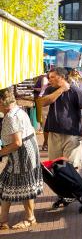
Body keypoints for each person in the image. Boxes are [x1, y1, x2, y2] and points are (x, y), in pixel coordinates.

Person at [0, 88, 43, 230]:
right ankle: (3, 220)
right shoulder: (17, 110)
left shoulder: (12, 116)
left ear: (2, 102)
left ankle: (30, 218)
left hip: (22, 153)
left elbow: (17, 143)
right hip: (25, 150)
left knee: (24, 186)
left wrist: (1, 152)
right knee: (6, 184)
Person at [39, 66, 82, 171]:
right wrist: (62, 89)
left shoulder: (75, 91)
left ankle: (73, 187)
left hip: (72, 134)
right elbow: (43, 102)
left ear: (62, 77)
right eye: (49, 77)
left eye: (52, 77)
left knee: (72, 166)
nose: (49, 80)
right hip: (54, 134)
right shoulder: (50, 89)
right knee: (55, 167)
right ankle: (61, 188)